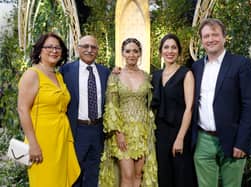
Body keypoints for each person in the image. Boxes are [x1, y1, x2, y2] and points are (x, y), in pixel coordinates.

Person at [191, 18, 251, 187]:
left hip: (232, 139)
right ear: (201, 40)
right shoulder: (196, 67)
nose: (210, 39)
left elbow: (249, 106)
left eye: (215, 35)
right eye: (206, 36)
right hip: (203, 140)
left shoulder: (240, 64)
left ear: (224, 37)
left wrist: (242, 142)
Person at [17, 32, 80, 187]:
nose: (54, 50)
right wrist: (33, 144)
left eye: (57, 48)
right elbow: (22, 109)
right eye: (49, 47)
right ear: (39, 51)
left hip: (61, 137)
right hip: (42, 139)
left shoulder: (58, 76)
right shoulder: (32, 74)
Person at [99, 38, 158, 187]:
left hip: (143, 132)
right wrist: (118, 133)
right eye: (128, 51)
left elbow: (151, 103)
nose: (132, 54)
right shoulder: (115, 75)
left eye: (135, 51)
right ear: (123, 54)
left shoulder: (147, 76)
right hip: (123, 131)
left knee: (138, 175)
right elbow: (111, 106)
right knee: (127, 175)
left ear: (140, 54)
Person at [60, 35, 110, 187]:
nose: (89, 50)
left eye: (93, 47)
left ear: (97, 50)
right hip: (76, 130)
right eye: (85, 46)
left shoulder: (105, 72)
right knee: (74, 174)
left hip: (97, 130)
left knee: (93, 175)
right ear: (78, 48)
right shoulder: (66, 71)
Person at [151, 33, 197, 187]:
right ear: (160, 51)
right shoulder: (155, 75)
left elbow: (189, 108)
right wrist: (118, 72)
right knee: (164, 176)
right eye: (166, 47)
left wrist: (180, 138)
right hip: (160, 133)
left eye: (173, 47)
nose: (169, 51)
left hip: (180, 131)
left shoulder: (186, 74)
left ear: (178, 51)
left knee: (181, 176)